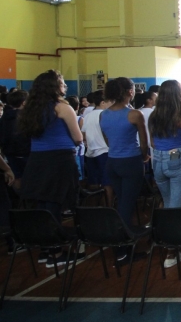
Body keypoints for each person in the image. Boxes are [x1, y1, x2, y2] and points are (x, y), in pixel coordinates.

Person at [17, 70, 84, 268]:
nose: (65, 86)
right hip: (59, 160)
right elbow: (78, 137)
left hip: (37, 161)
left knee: (42, 205)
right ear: (54, 87)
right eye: (62, 83)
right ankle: (56, 252)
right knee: (56, 204)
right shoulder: (62, 108)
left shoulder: (30, 108)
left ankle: (46, 249)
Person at [99, 77, 149, 264]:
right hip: (130, 162)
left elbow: (107, 141)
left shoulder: (103, 115)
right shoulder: (135, 114)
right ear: (130, 92)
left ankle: (122, 243)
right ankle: (122, 249)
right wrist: (143, 157)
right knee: (126, 206)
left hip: (112, 162)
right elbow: (143, 143)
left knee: (122, 203)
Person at [148, 80, 181, 268]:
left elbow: (152, 143)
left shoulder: (153, 116)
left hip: (157, 161)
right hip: (176, 159)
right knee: (175, 209)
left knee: (167, 204)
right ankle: (171, 250)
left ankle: (166, 241)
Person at [81, 90, 113, 206]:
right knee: (107, 183)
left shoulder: (88, 115)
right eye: (110, 101)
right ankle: (109, 207)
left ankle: (95, 206)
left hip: (90, 153)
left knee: (94, 183)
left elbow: (83, 135)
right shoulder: (106, 115)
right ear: (103, 102)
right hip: (104, 151)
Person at [0, 90, 30, 193]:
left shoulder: (4, 117)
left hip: (9, 154)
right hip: (26, 153)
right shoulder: (27, 118)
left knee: (16, 179)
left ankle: (19, 203)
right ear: (24, 103)